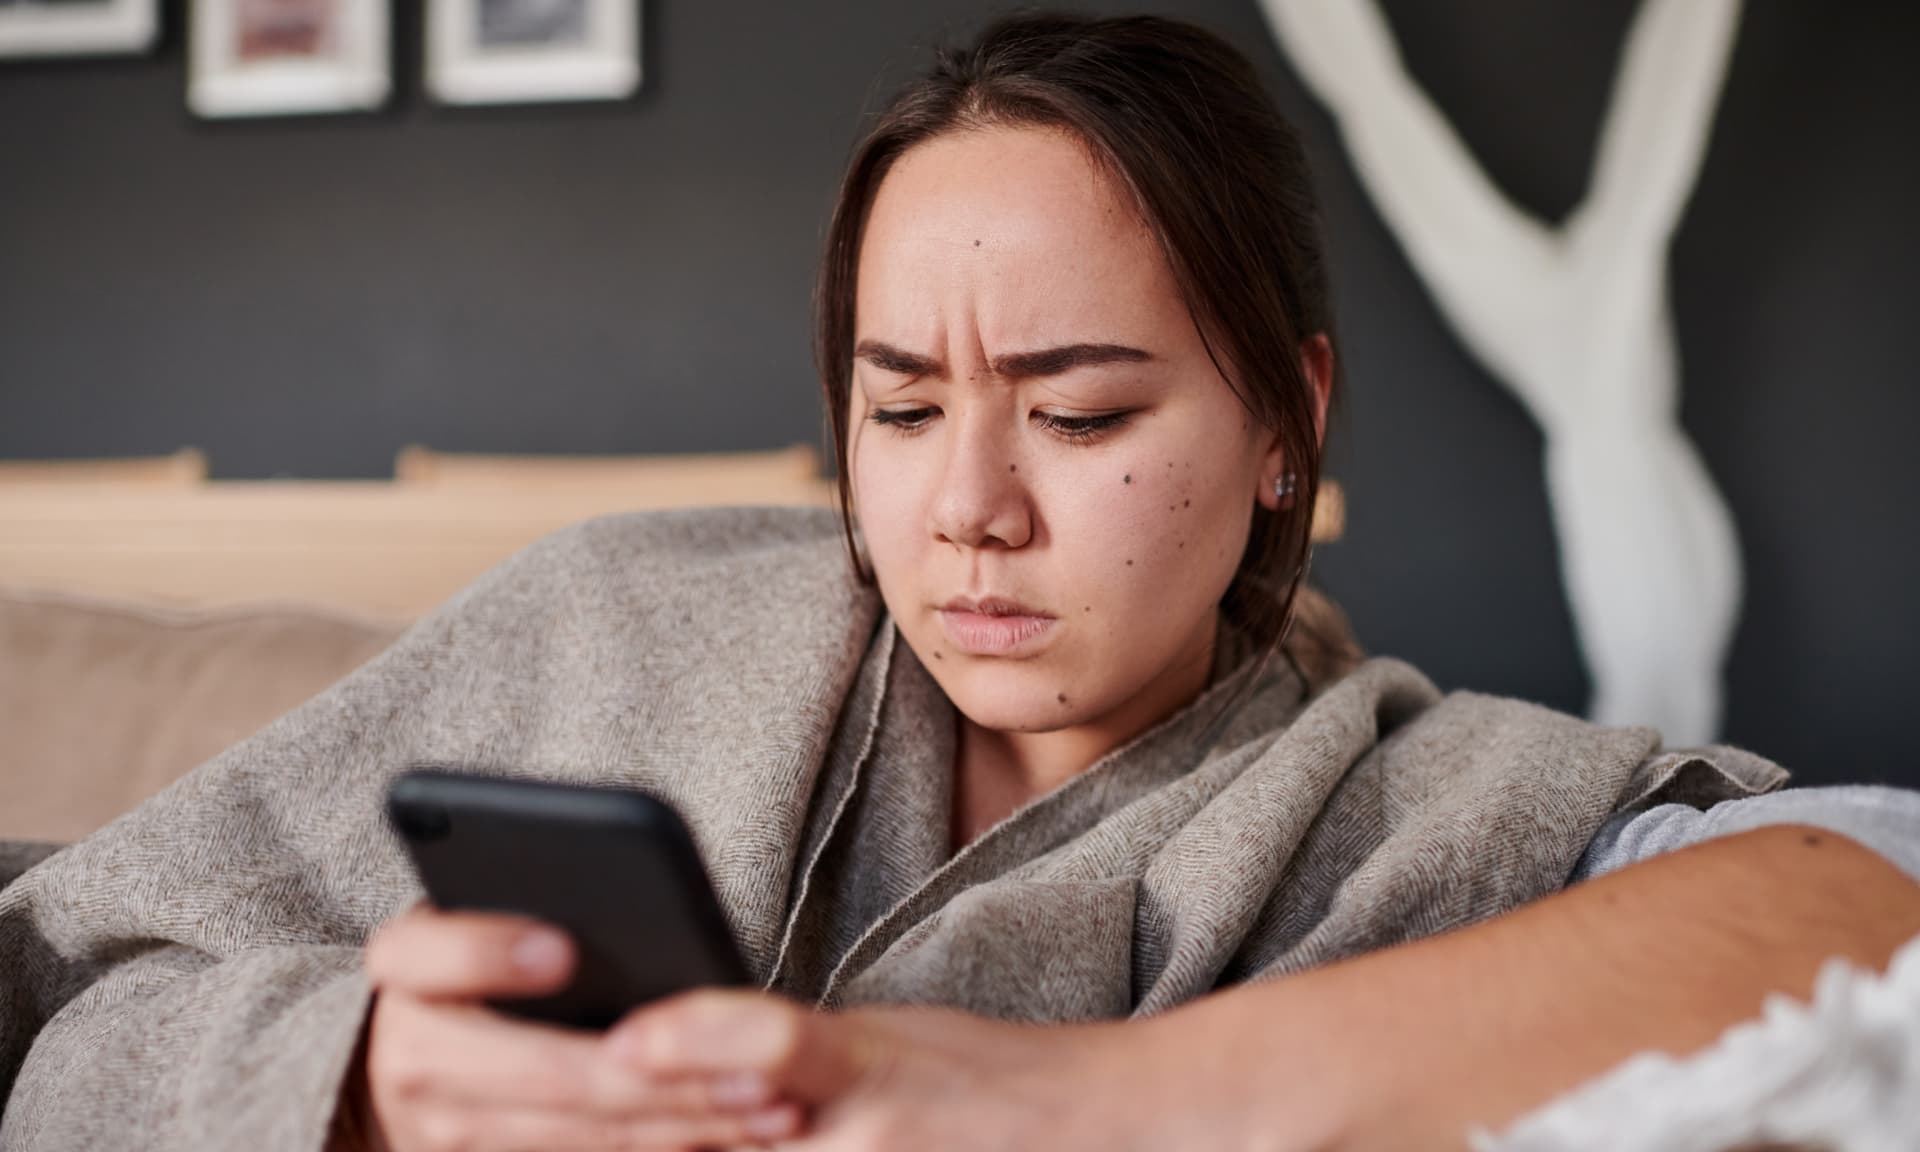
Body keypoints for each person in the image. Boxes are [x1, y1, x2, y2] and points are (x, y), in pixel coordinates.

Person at [4, 13, 1919, 1152]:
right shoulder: (611, 619)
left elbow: (1867, 889)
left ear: (1287, 421)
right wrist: (355, 1085)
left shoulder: (1442, 807)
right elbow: (59, 986)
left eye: (1081, 415)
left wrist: (1046, 1102)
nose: (968, 511)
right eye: (902, 408)